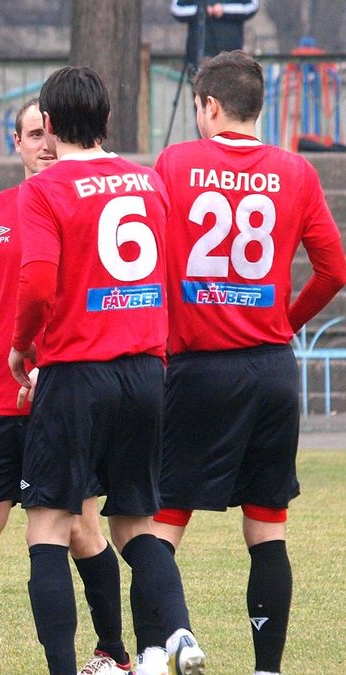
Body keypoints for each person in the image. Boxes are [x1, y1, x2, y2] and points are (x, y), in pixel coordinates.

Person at [147, 50, 346, 675]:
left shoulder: (176, 163)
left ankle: (170, 644)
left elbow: (147, 255)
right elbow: (334, 270)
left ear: (208, 106)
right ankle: (267, 670)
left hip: (199, 370)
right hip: (270, 371)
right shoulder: (296, 171)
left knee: (162, 523)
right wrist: (284, 321)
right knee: (267, 528)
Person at [7, 66, 205, 675]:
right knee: (136, 525)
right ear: (107, 119)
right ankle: (180, 632)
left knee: (48, 526)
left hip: (76, 371)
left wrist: (20, 346)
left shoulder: (43, 188)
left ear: (49, 124)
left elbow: (36, 282)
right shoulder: (148, 181)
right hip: (143, 372)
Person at [0, 98, 131, 675]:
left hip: (66, 392)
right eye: (32, 135)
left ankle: (112, 652)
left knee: (79, 527)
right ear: (17, 143)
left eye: (47, 133)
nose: (44, 145)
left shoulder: (87, 203)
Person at [171, 1, 259, 73]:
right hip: (200, 55)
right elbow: (177, 9)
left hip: (230, 56)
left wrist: (224, 9)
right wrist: (201, 10)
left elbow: (252, 6)